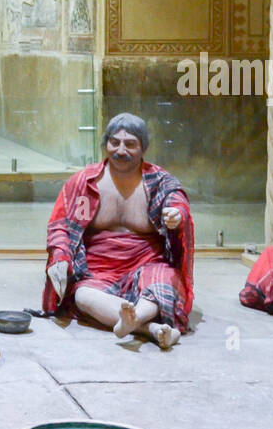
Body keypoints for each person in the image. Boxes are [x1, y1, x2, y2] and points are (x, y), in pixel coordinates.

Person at [42, 113, 194, 349]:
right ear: (106, 144)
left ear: (143, 147)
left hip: (147, 265)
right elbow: (65, 225)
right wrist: (60, 257)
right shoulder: (87, 184)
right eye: (115, 142)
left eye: (130, 144)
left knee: (166, 280)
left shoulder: (158, 182)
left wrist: (176, 216)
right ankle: (150, 328)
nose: (121, 150)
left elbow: (176, 203)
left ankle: (136, 317)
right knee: (83, 296)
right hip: (99, 270)